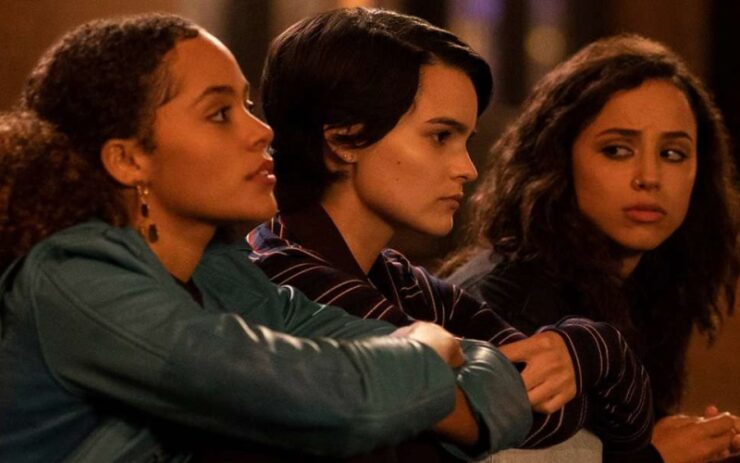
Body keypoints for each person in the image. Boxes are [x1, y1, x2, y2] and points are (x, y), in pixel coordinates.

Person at [0, 14, 532, 462]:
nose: (262, 132)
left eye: (248, 107)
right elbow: (346, 402)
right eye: (220, 113)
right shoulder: (76, 280)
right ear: (128, 158)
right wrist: (429, 348)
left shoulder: (223, 275)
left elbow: (504, 386)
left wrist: (420, 376)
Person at [247, 6, 653, 459]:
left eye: (466, 140)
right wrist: (595, 358)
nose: (467, 168)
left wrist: (592, 348)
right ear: (343, 138)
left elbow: (610, 418)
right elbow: (515, 414)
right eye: (440, 136)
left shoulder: (401, 281)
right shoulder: (287, 277)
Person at [444, 34, 740, 463]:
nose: (649, 177)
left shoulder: (650, 283)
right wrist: (653, 456)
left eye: (673, 153)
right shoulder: (510, 304)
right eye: (617, 150)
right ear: (557, 156)